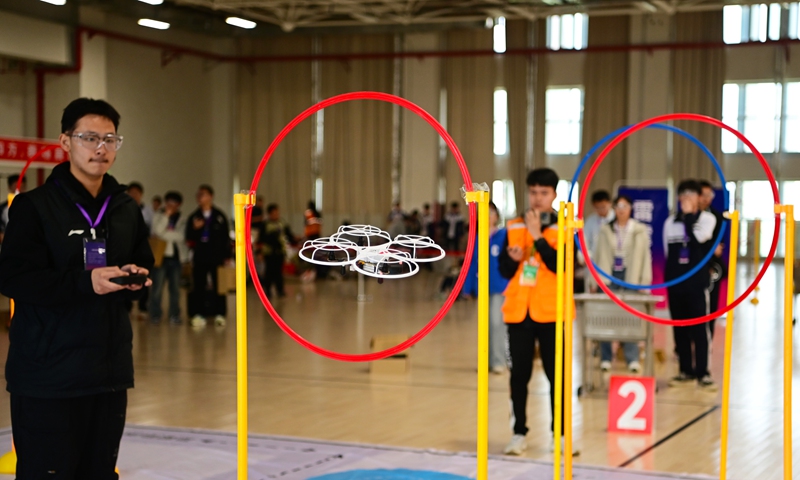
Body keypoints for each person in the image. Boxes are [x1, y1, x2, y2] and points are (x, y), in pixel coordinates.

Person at [0, 97, 153, 477]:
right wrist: (86, 282)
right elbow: (14, 277)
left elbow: (144, 260)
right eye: (88, 137)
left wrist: (135, 277)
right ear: (65, 142)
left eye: (110, 139)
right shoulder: (33, 207)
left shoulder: (124, 209)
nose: (100, 148)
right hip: (47, 374)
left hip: (107, 371)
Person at [498, 168, 577, 456]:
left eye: (544, 192)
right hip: (519, 312)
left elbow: (563, 266)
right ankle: (519, 432)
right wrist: (511, 258)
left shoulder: (565, 226)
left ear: (555, 195)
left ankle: (561, 434)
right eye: (533, 192)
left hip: (552, 312)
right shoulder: (514, 225)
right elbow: (504, 271)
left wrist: (537, 237)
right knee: (519, 375)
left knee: (557, 376)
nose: (538, 198)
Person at [664, 180, 717, 390]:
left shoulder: (707, 219)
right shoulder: (669, 222)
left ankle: (702, 372)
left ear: (698, 198)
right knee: (680, 328)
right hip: (676, 284)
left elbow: (698, 241)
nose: (686, 197)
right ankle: (685, 370)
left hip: (696, 284)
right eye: (682, 193)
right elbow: (668, 253)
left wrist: (687, 219)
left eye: (691, 194)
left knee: (699, 329)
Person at [594, 195, 652, 373]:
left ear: (630, 209)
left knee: (631, 318)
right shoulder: (606, 229)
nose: (621, 209)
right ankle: (605, 357)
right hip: (609, 276)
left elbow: (645, 258)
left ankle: (632, 358)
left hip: (631, 276)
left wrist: (644, 282)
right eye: (618, 206)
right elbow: (598, 256)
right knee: (606, 317)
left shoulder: (639, 230)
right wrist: (596, 279)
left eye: (625, 206)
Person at [462, 202, 509, 374]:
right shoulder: (475, 238)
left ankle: (499, 361)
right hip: (481, 287)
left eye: (491, 212)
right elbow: (471, 264)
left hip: (500, 287)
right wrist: (467, 288)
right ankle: (486, 361)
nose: (488, 216)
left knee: (497, 324)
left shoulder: (503, 235)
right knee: (485, 325)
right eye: (484, 213)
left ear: (496, 215)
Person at [185, 184, 231, 327]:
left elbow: (225, 238)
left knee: (219, 285)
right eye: (198, 195)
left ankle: (220, 313)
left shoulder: (219, 216)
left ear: (210, 196)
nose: (200, 197)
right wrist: (195, 229)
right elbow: (187, 237)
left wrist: (227, 256)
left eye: (203, 194)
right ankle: (199, 313)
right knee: (199, 284)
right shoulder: (194, 216)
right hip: (200, 256)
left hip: (216, 256)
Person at [149, 191, 188, 325]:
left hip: (176, 259)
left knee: (175, 290)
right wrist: (166, 216)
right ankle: (155, 314)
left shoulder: (182, 218)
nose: (171, 206)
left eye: (174, 203)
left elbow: (181, 236)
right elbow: (157, 230)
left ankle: (174, 314)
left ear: (179, 204)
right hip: (161, 258)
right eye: (168, 202)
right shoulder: (159, 215)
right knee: (157, 289)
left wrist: (164, 234)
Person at [699, 180, 727, 340]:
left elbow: (718, 248)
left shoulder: (716, 216)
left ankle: (708, 340)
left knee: (711, 306)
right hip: (692, 266)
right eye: (703, 195)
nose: (706, 198)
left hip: (711, 267)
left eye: (709, 195)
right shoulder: (689, 217)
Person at [257, 203, 297, 299]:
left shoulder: (282, 223)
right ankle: (268, 291)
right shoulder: (265, 225)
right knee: (269, 272)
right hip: (269, 253)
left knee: (279, 272)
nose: (276, 215)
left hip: (280, 252)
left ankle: (280, 290)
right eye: (274, 213)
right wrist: (259, 253)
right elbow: (260, 240)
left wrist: (295, 240)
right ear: (270, 214)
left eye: (277, 213)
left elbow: (289, 235)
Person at [0, 174, 27, 245]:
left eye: (22, 187)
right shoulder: (3, 208)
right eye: (16, 186)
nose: (19, 190)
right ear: (10, 187)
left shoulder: (29, 207)